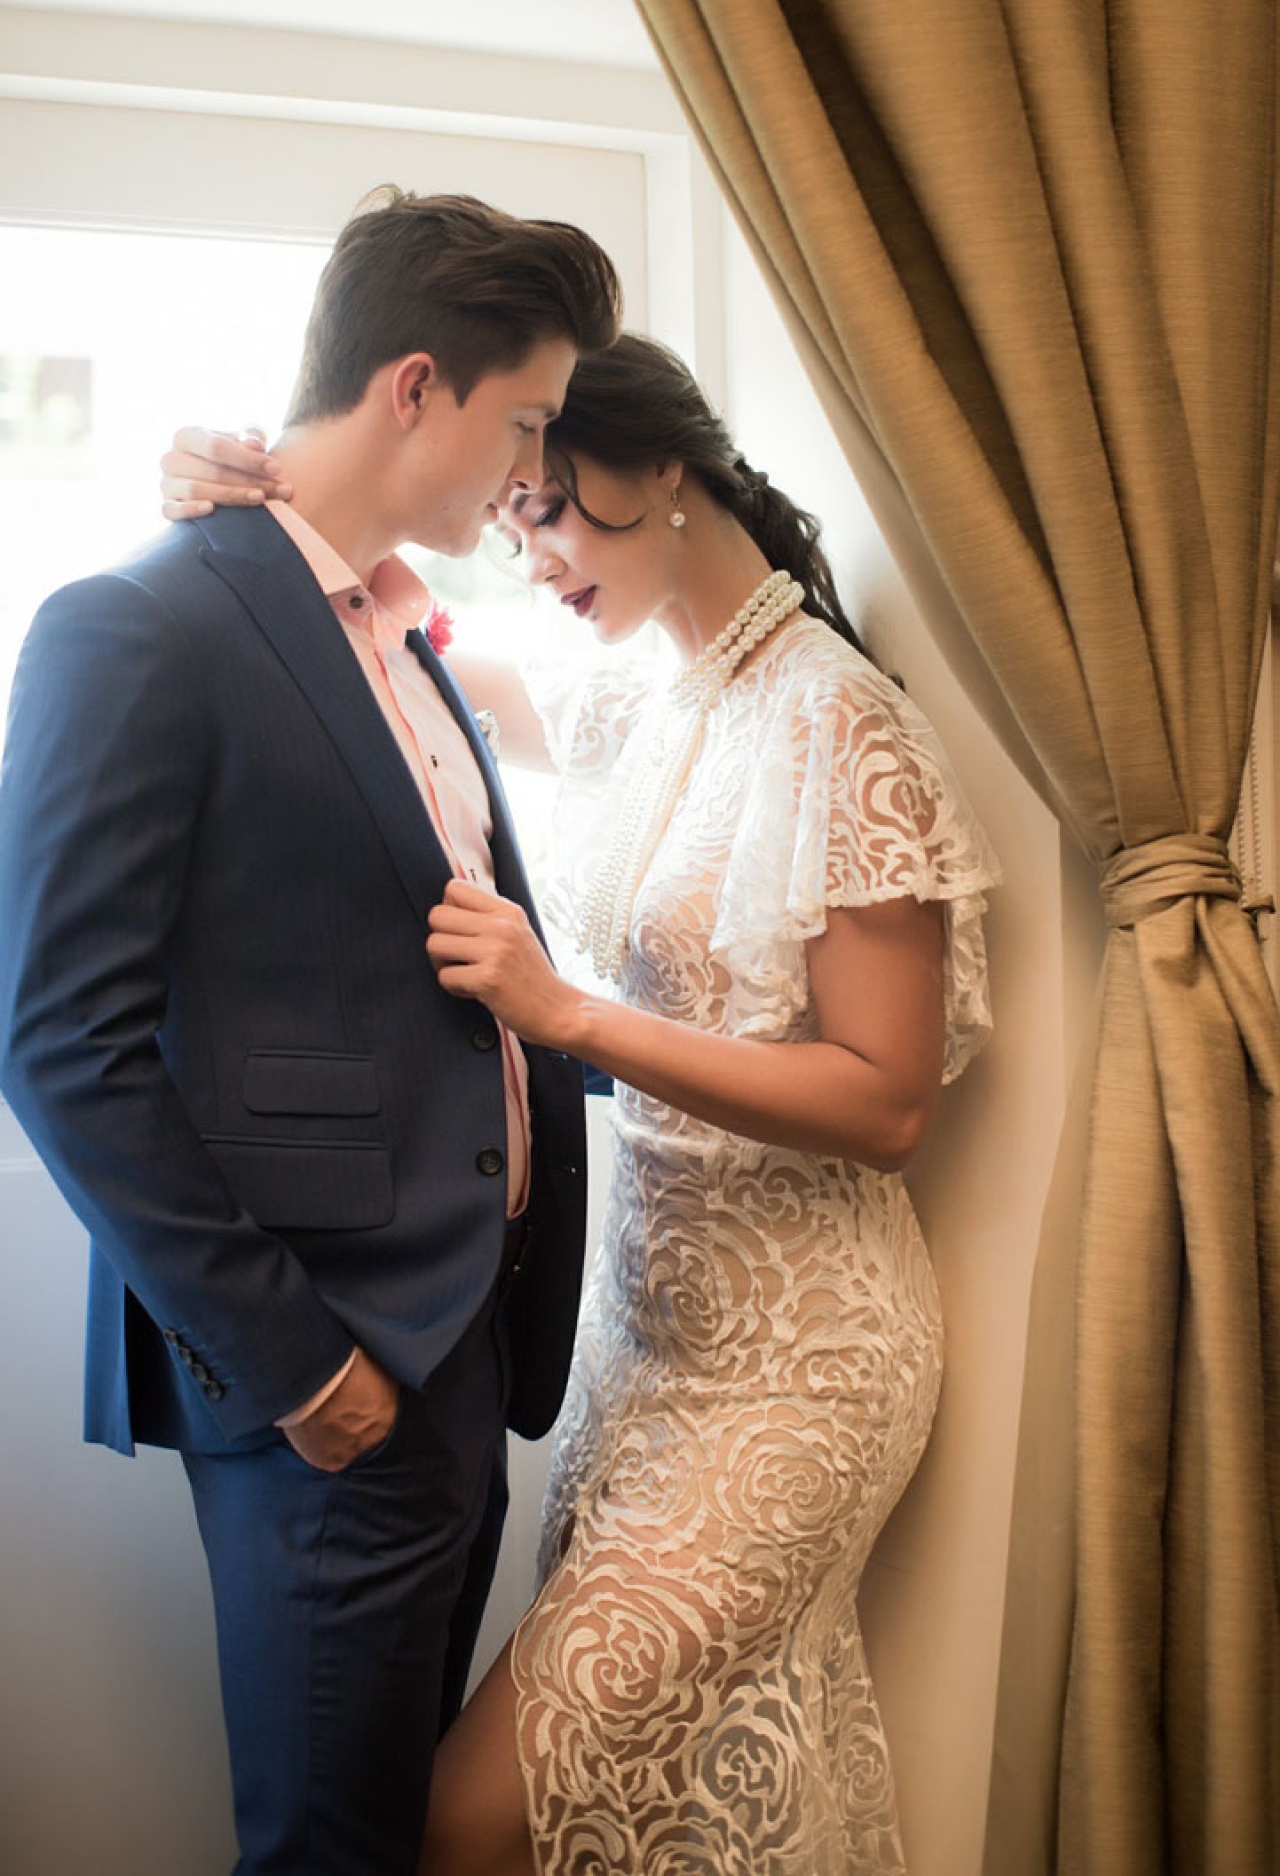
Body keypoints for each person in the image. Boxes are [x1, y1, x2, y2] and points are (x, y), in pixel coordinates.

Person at [160, 332, 1000, 1875]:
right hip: (639, 1345)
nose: (532, 554)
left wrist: (565, 1013)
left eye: (547, 506)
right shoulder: (634, 700)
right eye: (512, 517)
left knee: (464, 1821)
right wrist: (257, 499)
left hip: (800, 1368)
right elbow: (371, 645)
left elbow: (889, 1102)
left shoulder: (841, 721)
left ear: (663, 465)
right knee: (631, 1814)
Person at [0, 189, 621, 1876]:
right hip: (330, 1366)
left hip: (466, 1339)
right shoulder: (135, 624)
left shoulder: (406, 636)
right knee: (328, 1850)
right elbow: (60, 1040)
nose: (533, 476)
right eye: (526, 422)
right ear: (415, 386)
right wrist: (301, 1367)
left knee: (395, 1834)